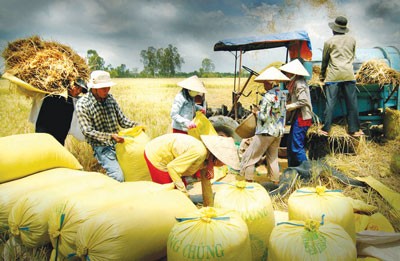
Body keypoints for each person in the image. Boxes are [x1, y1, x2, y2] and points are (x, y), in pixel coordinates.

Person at [76, 70, 141, 182]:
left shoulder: (110, 99)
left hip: (119, 144)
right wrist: (110, 136)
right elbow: (87, 131)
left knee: (133, 170)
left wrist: (137, 125)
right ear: (94, 88)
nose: (107, 90)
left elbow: (122, 120)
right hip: (102, 148)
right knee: (118, 177)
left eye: (108, 87)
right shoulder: (83, 104)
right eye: (103, 88)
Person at [144, 133, 239, 196]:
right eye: (224, 161)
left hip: (172, 159)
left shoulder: (207, 161)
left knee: (179, 189)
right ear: (217, 158)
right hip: (158, 154)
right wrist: (184, 193)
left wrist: (209, 206)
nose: (224, 165)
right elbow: (172, 168)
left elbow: (206, 184)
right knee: (169, 194)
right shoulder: (199, 153)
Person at [240, 67, 289, 184]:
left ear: (270, 83)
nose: (264, 86)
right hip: (278, 132)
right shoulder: (283, 95)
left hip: (266, 132)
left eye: (265, 83)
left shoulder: (268, 97)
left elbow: (264, 117)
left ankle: (248, 182)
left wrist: (256, 112)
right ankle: (275, 182)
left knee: (250, 157)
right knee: (272, 158)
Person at [319, 16, 364, 137]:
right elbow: (352, 56)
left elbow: (325, 60)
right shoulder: (352, 40)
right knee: (352, 103)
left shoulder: (329, 42)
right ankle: (354, 129)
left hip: (334, 76)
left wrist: (322, 75)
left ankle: (325, 129)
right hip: (349, 75)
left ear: (334, 29)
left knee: (330, 103)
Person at [280, 59, 313, 167]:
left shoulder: (299, 83)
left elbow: (303, 101)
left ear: (292, 72)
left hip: (302, 117)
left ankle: (307, 170)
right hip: (297, 117)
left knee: (296, 146)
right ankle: (293, 169)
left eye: (287, 72)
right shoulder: (294, 82)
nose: (286, 74)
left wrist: (288, 107)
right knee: (290, 145)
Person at [34, 78, 87, 145]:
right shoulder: (55, 94)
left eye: (81, 90)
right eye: (77, 87)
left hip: (60, 138)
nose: (78, 91)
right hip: (44, 133)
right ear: (70, 84)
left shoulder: (73, 101)